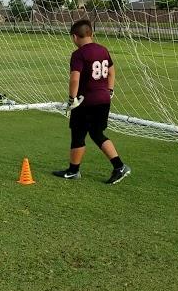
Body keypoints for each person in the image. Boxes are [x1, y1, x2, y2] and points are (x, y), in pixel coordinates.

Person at [52, 19, 131, 184]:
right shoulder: (103, 50)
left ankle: (116, 166)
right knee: (94, 133)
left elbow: (75, 78)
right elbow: (111, 71)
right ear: (91, 34)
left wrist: (72, 98)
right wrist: (109, 90)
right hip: (103, 99)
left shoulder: (79, 54)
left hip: (85, 101)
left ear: (74, 37)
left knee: (79, 133)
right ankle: (79, 170)